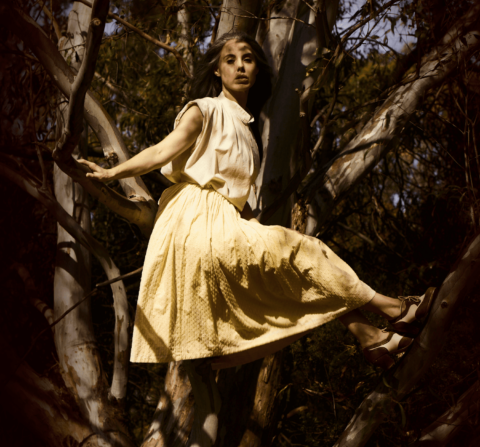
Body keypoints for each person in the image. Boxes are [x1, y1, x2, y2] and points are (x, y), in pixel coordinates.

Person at [78, 31, 437, 374]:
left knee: (300, 263)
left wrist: (266, 237)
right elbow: (162, 150)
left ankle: (372, 338)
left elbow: (240, 202)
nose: (239, 66)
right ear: (217, 70)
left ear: (256, 68)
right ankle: (396, 309)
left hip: (227, 222)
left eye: (247, 59)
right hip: (195, 220)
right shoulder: (204, 109)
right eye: (230, 60)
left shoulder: (248, 132)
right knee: (303, 253)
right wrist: (112, 174)